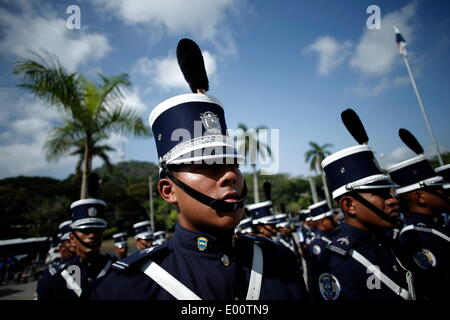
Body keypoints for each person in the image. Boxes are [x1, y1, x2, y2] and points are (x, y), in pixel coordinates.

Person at [88, 38, 308, 300]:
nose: (229, 175)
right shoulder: (125, 289)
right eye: (207, 165)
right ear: (168, 190)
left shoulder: (278, 261)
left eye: (233, 164)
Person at [308, 109, 416, 301]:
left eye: (389, 192)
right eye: (380, 193)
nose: (392, 200)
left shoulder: (389, 242)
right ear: (349, 205)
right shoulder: (335, 263)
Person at [386, 129, 450, 300]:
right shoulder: (414, 236)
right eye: (436, 189)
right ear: (420, 196)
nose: (444, 193)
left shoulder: (436, 225)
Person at [35, 198, 115, 300]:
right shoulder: (55, 277)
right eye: (86, 230)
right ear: (72, 238)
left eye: (97, 230)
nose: (92, 235)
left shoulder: (116, 270)